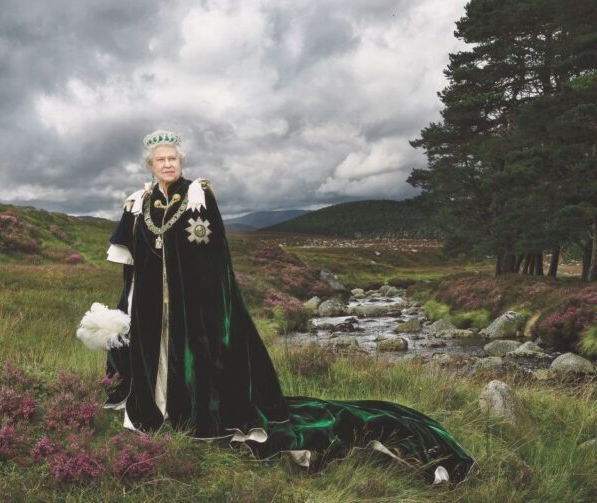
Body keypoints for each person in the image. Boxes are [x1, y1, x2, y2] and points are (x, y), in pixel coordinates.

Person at [103, 129, 475, 483]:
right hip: (154, 307)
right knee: (158, 356)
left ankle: (197, 417)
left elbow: (215, 260)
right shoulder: (139, 203)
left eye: (173, 158)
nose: (168, 164)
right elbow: (132, 263)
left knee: (195, 360)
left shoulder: (199, 195)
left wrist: (216, 312)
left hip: (195, 307)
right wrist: (128, 307)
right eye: (161, 160)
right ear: (150, 166)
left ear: (180, 161)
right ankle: (159, 412)